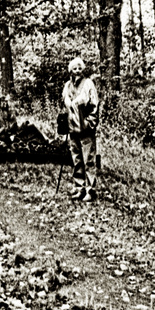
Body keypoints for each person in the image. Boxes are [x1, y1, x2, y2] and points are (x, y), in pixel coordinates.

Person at [61, 57, 100, 202]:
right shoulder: (67, 86)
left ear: (82, 69)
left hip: (86, 130)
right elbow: (65, 107)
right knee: (76, 160)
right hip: (72, 130)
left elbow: (94, 105)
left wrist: (90, 123)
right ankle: (79, 188)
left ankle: (91, 190)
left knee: (88, 160)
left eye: (79, 68)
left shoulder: (88, 84)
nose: (77, 71)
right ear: (70, 70)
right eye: (74, 68)